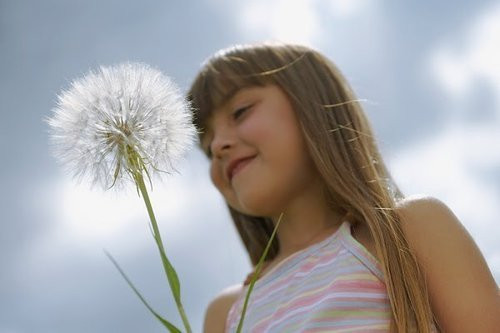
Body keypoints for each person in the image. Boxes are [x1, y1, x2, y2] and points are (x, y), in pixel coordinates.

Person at [187, 43, 499, 332]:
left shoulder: (407, 231)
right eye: (206, 144)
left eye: (240, 112)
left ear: (313, 105)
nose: (217, 145)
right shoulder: (226, 314)